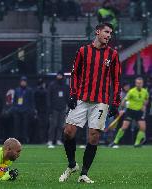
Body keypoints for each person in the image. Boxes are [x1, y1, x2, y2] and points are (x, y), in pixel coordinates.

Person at [59, 23, 121, 183]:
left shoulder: (113, 54)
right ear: (97, 32)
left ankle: (83, 174)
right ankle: (72, 165)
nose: (109, 35)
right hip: (81, 98)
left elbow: (116, 79)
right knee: (68, 132)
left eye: (111, 33)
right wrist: (72, 95)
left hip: (101, 101)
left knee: (93, 137)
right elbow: (74, 74)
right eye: (106, 32)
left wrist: (115, 102)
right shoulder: (83, 51)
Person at [110, 77, 149, 148]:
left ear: (142, 83)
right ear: (135, 83)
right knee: (124, 127)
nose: (139, 84)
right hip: (130, 111)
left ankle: (136, 144)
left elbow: (146, 100)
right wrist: (121, 109)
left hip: (139, 112)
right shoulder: (131, 91)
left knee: (143, 128)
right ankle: (115, 142)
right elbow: (123, 101)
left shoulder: (145, 92)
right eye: (137, 83)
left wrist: (144, 105)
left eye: (140, 83)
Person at [47, 71, 69, 148]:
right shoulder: (52, 85)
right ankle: (50, 140)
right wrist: (49, 107)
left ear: (63, 76)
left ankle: (58, 140)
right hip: (54, 108)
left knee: (60, 125)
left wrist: (68, 107)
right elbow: (49, 97)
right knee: (53, 125)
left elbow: (68, 97)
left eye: (60, 75)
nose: (59, 77)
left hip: (62, 108)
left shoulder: (66, 86)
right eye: (58, 75)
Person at [12, 76, 35, 143]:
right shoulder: (17, 90)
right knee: (17, 126)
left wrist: (31, 110)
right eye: (22, 81)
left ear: (26, 82)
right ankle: (17, 140)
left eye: (24, 81)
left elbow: (32, 101)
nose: (23, 83)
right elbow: (15, 101)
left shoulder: (29, 90)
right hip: (17, 110)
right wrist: (15, 108)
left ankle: (25, 139)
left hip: (26, 111)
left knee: (25, 126)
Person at [34, 78, 49, 144]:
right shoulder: (38, 91)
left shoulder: (44, 91)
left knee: (44, 126)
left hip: (44, 111)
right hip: (40, 111)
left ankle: (43, 140)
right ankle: (42, 140)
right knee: (41, 126)